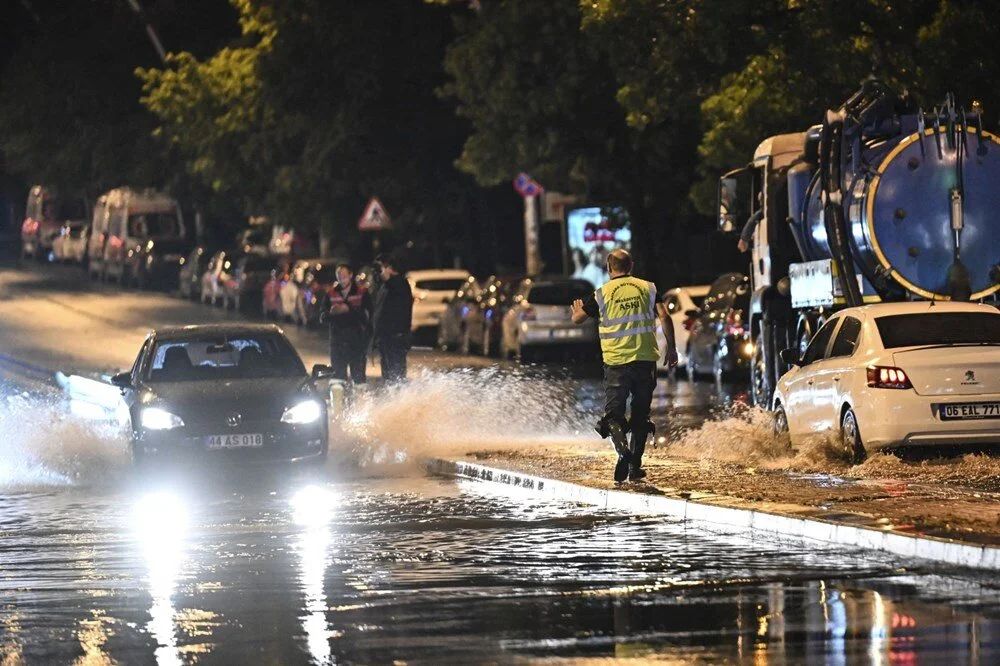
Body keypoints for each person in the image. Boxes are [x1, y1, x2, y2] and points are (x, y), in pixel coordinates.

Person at [571, 248, 676, 483]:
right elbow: (665, 317)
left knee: (613, 417)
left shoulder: (601, 293)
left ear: (609, 268)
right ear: (631, 266)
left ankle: (623, 453)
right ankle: (635, 467)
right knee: (640, 416)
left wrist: (577, 311)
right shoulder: (648, 288)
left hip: (616, 362)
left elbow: (578, 319)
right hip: (645, 360)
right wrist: (671, 347)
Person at [319, 263, 372, 385]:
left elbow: (367, 317)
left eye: (343, 275)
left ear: (351, 275)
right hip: (337, 343)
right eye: (338, 275)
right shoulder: (330, 294)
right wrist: (332, 313)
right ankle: (338, 404)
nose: (341, 278)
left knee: (359, 381)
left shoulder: (362, 293)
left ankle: (360, 403)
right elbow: (322, 317)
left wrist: (348, 309)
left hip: (357, 343)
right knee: (337, 380)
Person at [372, 253, 413, 382]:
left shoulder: (400, 284)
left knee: (397, 375)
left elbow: (392, 284)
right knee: (388, 375)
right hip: (385, 338)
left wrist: (385, 275)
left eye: (383, 268)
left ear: (389, 267)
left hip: (396, 338)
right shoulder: (386, 286)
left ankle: (401, 399)